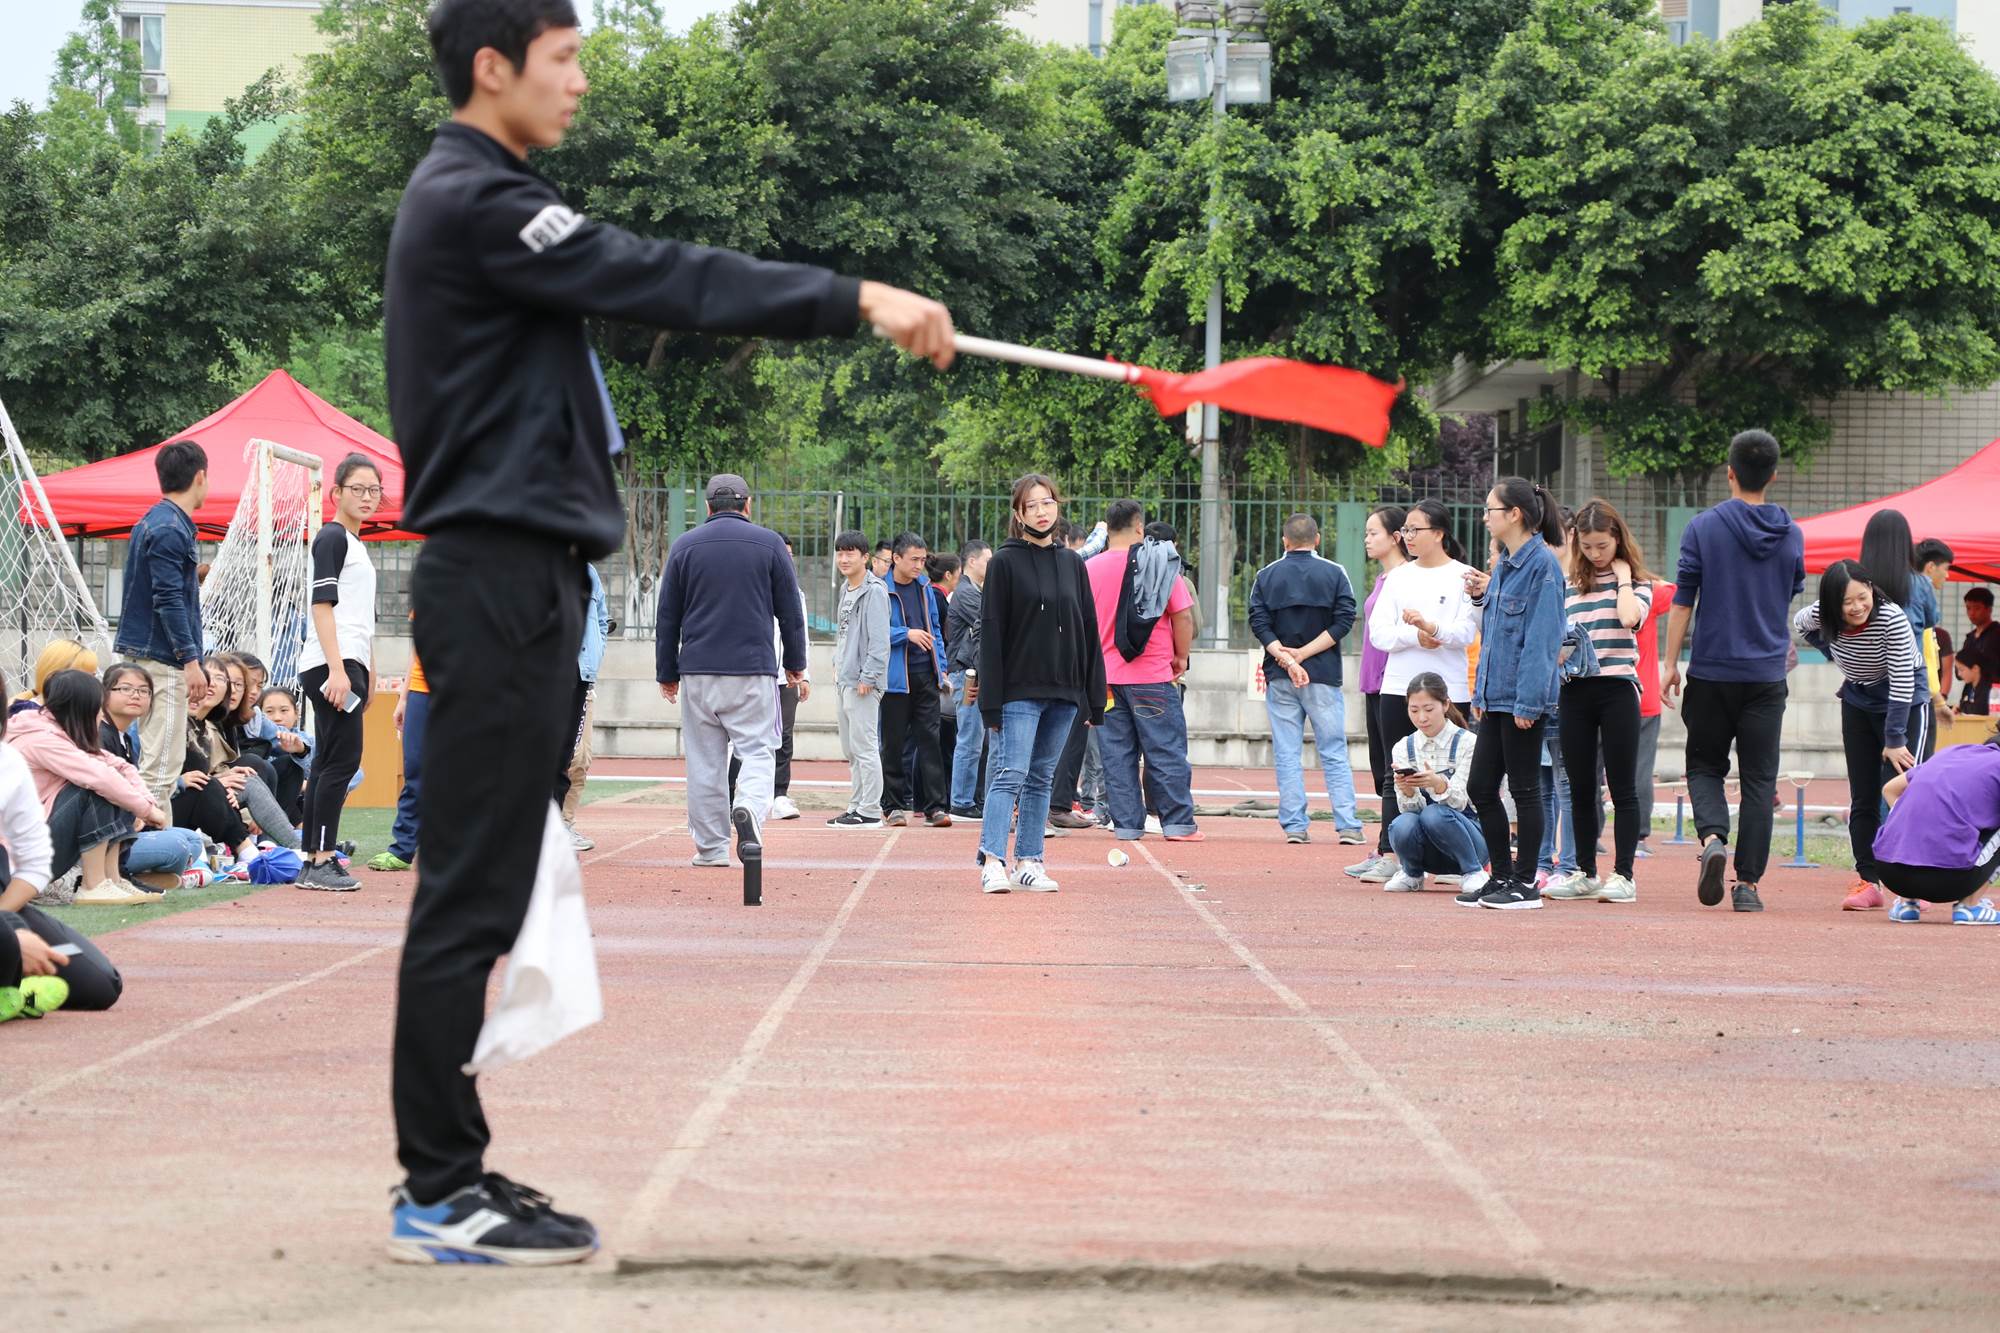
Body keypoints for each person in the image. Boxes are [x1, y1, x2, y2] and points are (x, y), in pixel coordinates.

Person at [385, 0, 952, 1264]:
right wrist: (856, 297)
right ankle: (436, 1187)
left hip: (532, 583)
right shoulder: (476, 201)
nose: (581, 81)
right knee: (468, 889)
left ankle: (453, 1167)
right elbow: (665, 276)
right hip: (494, 580)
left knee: (494, 878)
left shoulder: (491, 203)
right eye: (565, 58)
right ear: (494, 66)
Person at [1662, 429, 1805, 915]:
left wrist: (1670, 664)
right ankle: (1747, 885)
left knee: (1704, 765)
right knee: (1760, 781)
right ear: (1774, 475)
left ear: (1729, 473)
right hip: (1766, 674)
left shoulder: (1703, 528)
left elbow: (1683, 601)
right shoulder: (1791, 534)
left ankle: (1713, 838)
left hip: (1712, 671)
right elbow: (1790, 590)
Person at [657, 475, 806, 867]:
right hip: (752, 671)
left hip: (698, 670)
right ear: (748, 505)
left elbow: (668, 615)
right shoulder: (770, 544)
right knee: (758, 750)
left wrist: (666, 673)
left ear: (707, 507)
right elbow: (790, 613)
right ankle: (750, 808)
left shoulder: (684, 546)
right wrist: (795, 664)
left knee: (704, 761)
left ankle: (710, 849)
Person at [976, 474, 1106, 893]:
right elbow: (992, 632)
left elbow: (1088, 628)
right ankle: (992, 859)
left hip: (1064, 692)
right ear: (1018, 514)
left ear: (1057, 506)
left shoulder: (1072, 564)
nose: (1041, 511)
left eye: (1047, 502)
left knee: (1041, 778)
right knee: (1009, 773)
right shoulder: (1004, 563)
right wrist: (990, 701)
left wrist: (1094, 695)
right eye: (1031, 505)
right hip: (1017, 690)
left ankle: (1029, 861)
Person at [1540, 500, 1655, 904]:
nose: (1595, 554)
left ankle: (1623, 875)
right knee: (1581, 786)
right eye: (1587, 546)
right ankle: (1585, 872)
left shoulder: (1638, 583)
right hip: (1575, 690)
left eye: (1603, 545)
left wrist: (1622, 578)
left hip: (1618, 689)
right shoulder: (1569, 584)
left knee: (1623, 786)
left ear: (1618, 539)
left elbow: (1629, 619)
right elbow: (1553, 637)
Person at [1461, 477, 1568, 910]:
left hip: (1523, 700)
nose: (1485, 516)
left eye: (1491, 509)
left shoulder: (1543, 567)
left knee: (1525, 790)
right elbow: (1495, 637)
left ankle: (1525, 884)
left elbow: (1542, 641)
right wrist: (1481, 694)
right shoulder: (1505, 563)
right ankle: (1501, 875)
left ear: (1515, 514)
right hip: (1495, 696)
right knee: (1481, 786)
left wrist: (1529, 702)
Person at [1794, 562, 1923, 912]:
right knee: (1863, 796)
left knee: (1902, 791)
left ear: (1871, 588)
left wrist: (1894, 740)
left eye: (1862, 597)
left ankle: (1915, 882)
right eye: (1846, 602)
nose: (1856, 607)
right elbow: (1800, 623)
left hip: (1904, 704)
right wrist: (1834, 651)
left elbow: (1903, 681)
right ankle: (1869, 880)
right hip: (1858, 699)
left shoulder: (1891, 618)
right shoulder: (1820, 614)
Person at [1358, 499, 1477, 881]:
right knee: (1396, 772)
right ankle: (1392, 854)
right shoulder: (1398, 578)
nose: (1407, 537)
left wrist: (1433, 629)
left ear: (1438, 533)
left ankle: (1455, 859)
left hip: (1449, 687)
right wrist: (1415, 636)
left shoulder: (1462, 576)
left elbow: (1466, 632)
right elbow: (1379, 633)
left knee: (1452, 771)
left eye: (1415, 530)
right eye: (1405, 530)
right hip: (1398, 687)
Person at [0, 673, 125, 1009]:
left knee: (101, 984)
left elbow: (33, 862)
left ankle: (10, 985)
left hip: (5, 897)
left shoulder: (7, 762)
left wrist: (9, 926)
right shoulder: (40, 739)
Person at [1086, 500, 1201, 843]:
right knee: (1164, 750)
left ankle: (1126, 824)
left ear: (1107, 528)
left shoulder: (1089, 569)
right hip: (1152, 676)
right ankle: (1178, 823)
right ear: (1140, 527)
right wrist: (1181, 657)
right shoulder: (1157, 563)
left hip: (1105, 681)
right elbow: (1183, 616)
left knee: (1116, 755)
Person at [1248, 511, 1362, 846]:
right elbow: (1345, 619)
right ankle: (1348, 825)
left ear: (1284, 541)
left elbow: (1258, 621)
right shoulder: (1335, 572)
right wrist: (1305, 654)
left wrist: (1286, 657)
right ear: (1317, 539)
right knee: (1333, 750)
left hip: (1279, 674)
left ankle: (1295, 826)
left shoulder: (1266, 575)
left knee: (1287, 752)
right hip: (1322, 674)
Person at [296, 453, 382, 891]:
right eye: (358, 489)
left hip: (347, 663)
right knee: (342, 762)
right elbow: (321, 606)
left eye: (374, 490)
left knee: (328, 761)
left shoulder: (355, 543)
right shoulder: (332, 538)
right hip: (333, 665)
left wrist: (368, 671)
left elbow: (361, 618)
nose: (367, 497)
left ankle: (313, 859)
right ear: (336, 493)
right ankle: (323, 859)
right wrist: (338, 669)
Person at [10, 670, 163, 908]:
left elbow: (120, 766)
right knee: (95, 789)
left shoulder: (59, 731)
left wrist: (147, 804)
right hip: (19, 860)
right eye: (98, 708)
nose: (102, 715)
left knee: (115, 786)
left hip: (33, 848)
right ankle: (94, 884)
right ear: (82, 708)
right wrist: (146, 810)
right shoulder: (41, 739)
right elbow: (100, 777)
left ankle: (111, 879)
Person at [114, 437, 210, 810]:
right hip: (163, 659)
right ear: (200, 477)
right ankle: (152, 844)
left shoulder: (156, 521)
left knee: (156, 764)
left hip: (149, 653)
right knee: (160, 768)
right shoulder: (171, 527)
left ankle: (154, 842)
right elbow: (167, 600)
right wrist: (190, 660)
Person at [99, 661, 206, 892]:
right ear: (104, 694)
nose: (135, 695)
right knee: (177, 845)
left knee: (194, 841)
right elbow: (105, 789)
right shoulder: (100, 735)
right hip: (103, 837)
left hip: (126, 829)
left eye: (144, 691)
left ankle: (140, 877)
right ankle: (120, 875)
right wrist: (136, 814)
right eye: (125, 688)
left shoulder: (125, 738)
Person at [1381, 672, 1490, 896]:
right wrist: (1408, 791)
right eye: (1414, 710)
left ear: (1445, 704)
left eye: (1429, 709)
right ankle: (1412, 873)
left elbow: (1462, 802)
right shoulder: (1403, 747)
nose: (1422, 718)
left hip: (1471, 839)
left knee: (1435, 814)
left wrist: (1439, 784)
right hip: (1429, 846)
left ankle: (1473, 871)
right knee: (1402, 823)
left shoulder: (1469, 743)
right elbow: (1409, 812)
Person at [1874, 734, 2000, 924]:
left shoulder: (1951, 753)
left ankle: (1907, 905)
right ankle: (1969, 906)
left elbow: (1889, 789)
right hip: (1948, 881)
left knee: (1922, 816)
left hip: (1890, 873)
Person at [726, 537, 809, 823]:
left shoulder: (796, 593)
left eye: (790, 554)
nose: (786, 559)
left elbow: (800, 634)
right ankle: (729, 795)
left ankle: (779, 795)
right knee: (743, 737)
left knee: (783, 736)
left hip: (786, 677)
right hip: (753, 674)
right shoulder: (752, 588)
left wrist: (804, 673)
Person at [877, 531, 952, 829]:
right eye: (914, 559)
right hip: (895, 678)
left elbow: (935, 628)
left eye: (922, 559)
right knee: (893, 743)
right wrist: (905, 634)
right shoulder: (880, 589)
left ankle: (935, 807)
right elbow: (874, 631)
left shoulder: (924, 587)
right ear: (896, 558)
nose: (920, 565)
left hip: (926, 675)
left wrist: (941, 668)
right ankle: (893, 805)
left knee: (930, 740)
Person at [1860, 509, 1940, 758]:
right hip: (1910, 695)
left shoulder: (1856, 584)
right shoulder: (1920, 584)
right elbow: (1930, 622)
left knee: (1866, 779)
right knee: (1908, 774)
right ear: (1905, 543)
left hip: (1866, 693)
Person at [1356, 505, 1407, 865]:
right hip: (1373, 682)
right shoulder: (1383, 579)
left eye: (1374, 533)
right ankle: (1390, 846)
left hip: (1394, 683)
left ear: (1396, 537)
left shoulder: (1406, 579)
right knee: (1380, 770)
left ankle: (1390, 849)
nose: (1367, 539)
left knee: (1394, 769)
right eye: (1366, 533)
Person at [829, 530, 890, 829]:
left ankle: (870, 810)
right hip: (844, 679)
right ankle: (855, 805)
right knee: (851, 750)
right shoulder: (846, 588)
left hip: (863, 682)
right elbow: (843, 634)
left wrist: (869, 675)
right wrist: (836, 665)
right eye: (840, 553)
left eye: (850, 553)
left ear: (865, 557)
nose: (843, 559)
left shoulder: (874, 591)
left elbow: (880, 641)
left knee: (865, 747)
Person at [558, 564, 611, 845]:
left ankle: (558, 826)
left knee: (568, 756)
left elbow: (601, 619)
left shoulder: (588, 571)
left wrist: (596, 654)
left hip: (580, 673)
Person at [369, 633, 429, 874]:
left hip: (473, 688)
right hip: (421, 689)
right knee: (414, 767)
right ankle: (402, 849)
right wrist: (404, 697)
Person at [946, 539, 991, 818]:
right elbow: (992, 620)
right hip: (967, 675)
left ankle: (971, 799)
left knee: (978, 740)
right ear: (971, 562)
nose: (991, 565)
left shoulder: (975, 591)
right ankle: (961, 802)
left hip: (974, 673)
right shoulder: (966, 594)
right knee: (970, 739)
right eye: (987, 560)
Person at [1957, 587, 1997, 716]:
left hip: (1993, 698)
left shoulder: (1997, 635)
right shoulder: (1970, 638)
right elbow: (1960, 669)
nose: (1972, 613)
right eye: (1968, 608)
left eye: (1977, 608)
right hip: (1970, 695)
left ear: (1989, 609)